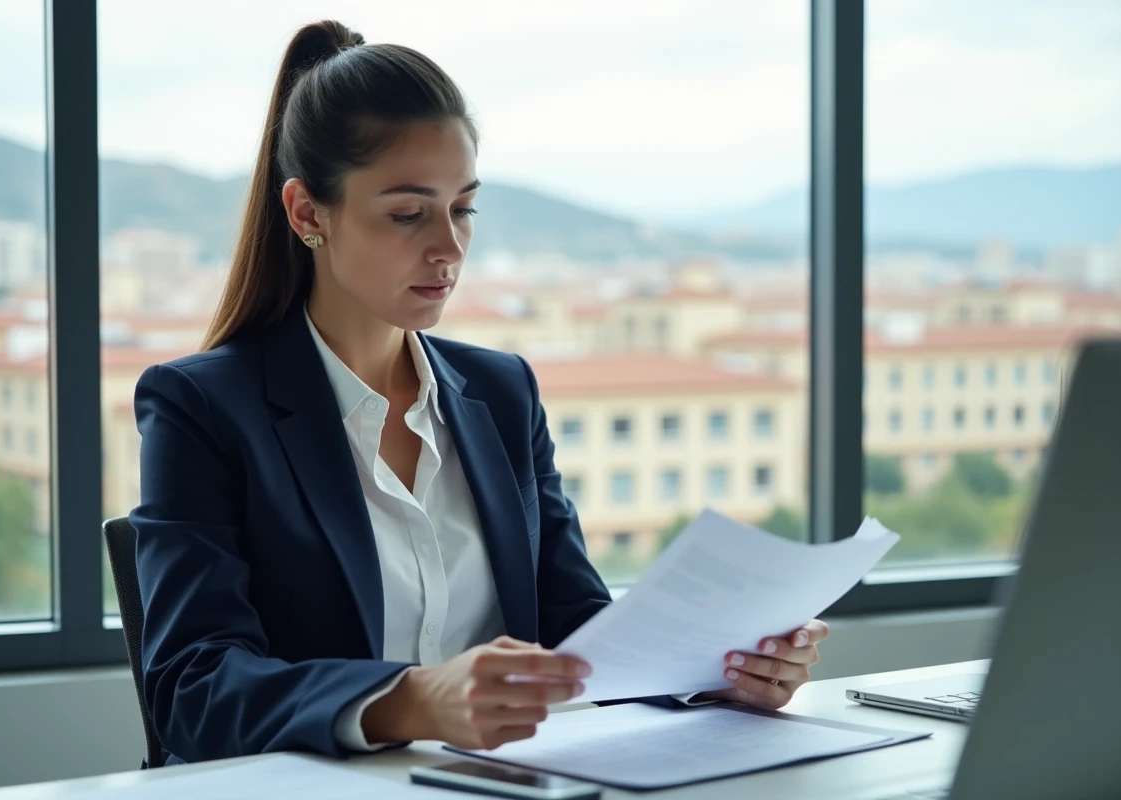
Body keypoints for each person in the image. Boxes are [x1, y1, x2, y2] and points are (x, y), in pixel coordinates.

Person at [130, 19, 830, 767]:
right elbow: (192, 688)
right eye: (408, 213)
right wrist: (412, 700)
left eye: (462, 208)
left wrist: (717, 672)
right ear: (307, 214)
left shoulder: (503, 393)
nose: (449, 246)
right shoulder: (201, 408)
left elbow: (575, 628)